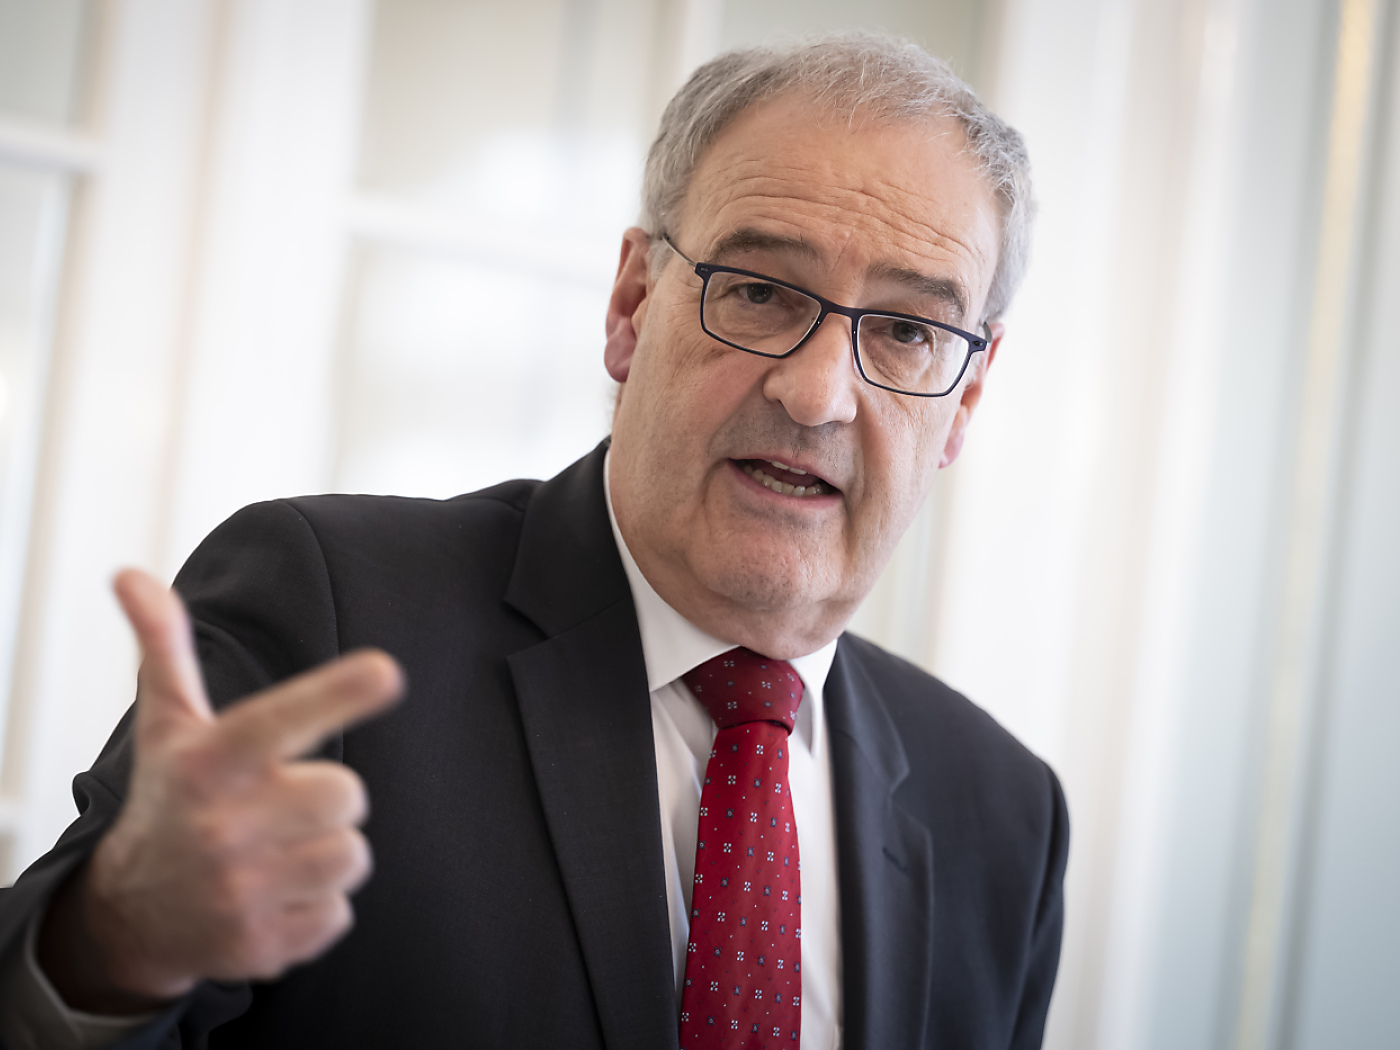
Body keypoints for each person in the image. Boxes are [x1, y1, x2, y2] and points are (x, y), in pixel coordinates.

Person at [0, 33, 1067, 1050]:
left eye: (907, 330)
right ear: (632, 304)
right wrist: (109, 947)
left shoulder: (1005, 817)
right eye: (756, 291)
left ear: (965, 401)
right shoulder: (329, 615)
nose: (817, 392)